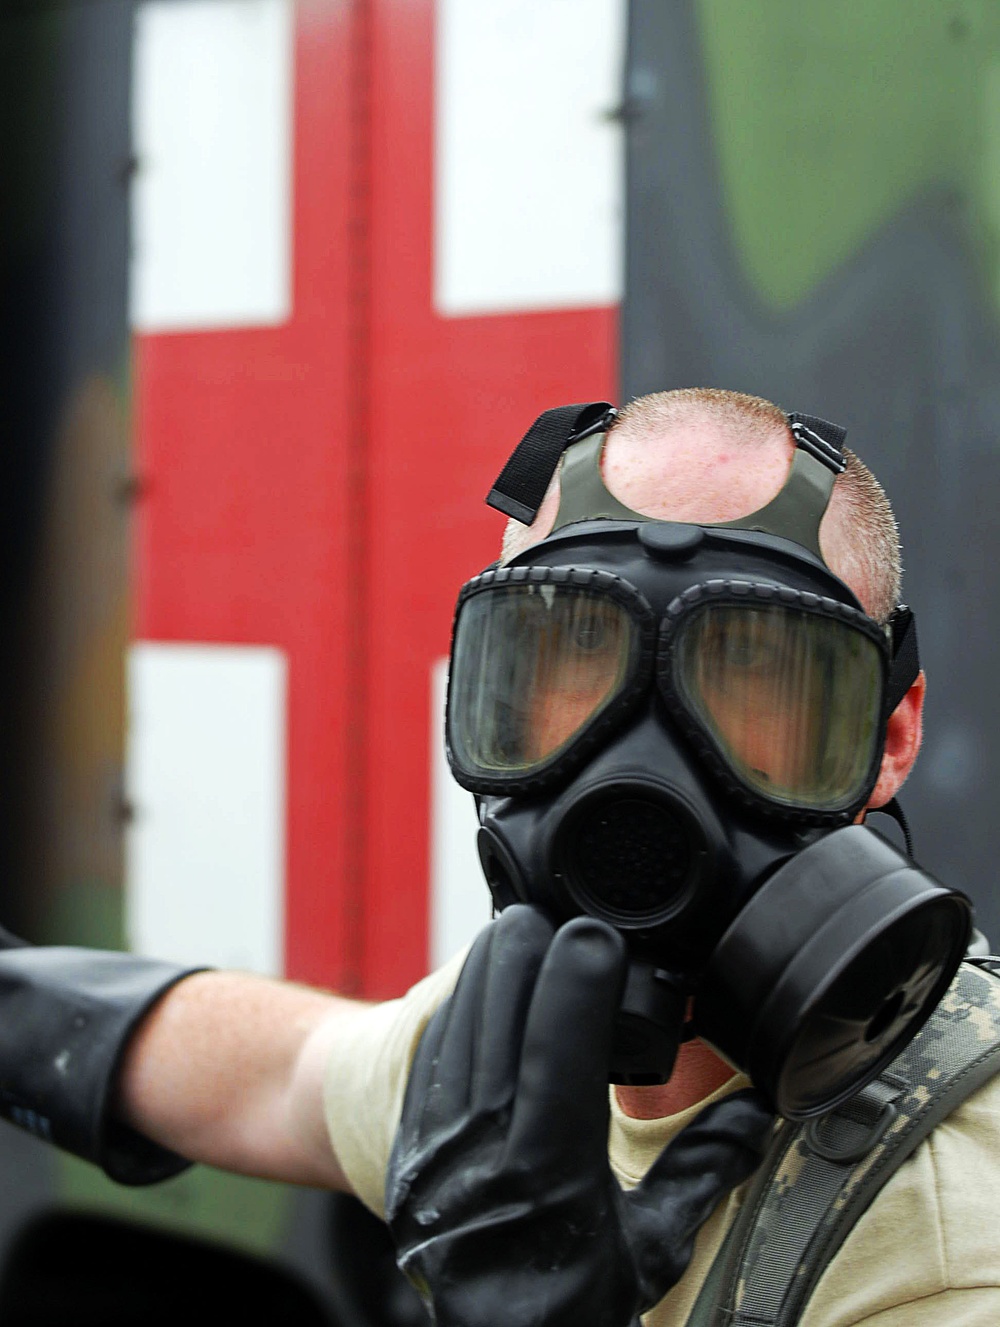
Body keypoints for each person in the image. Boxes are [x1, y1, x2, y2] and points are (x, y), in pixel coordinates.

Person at [1, 389, 997, 1325]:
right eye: (567, 658)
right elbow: (281, 1073)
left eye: (752, 669)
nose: (636, 775)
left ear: (886, 736)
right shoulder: (524, 1071)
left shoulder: (953, 1232)